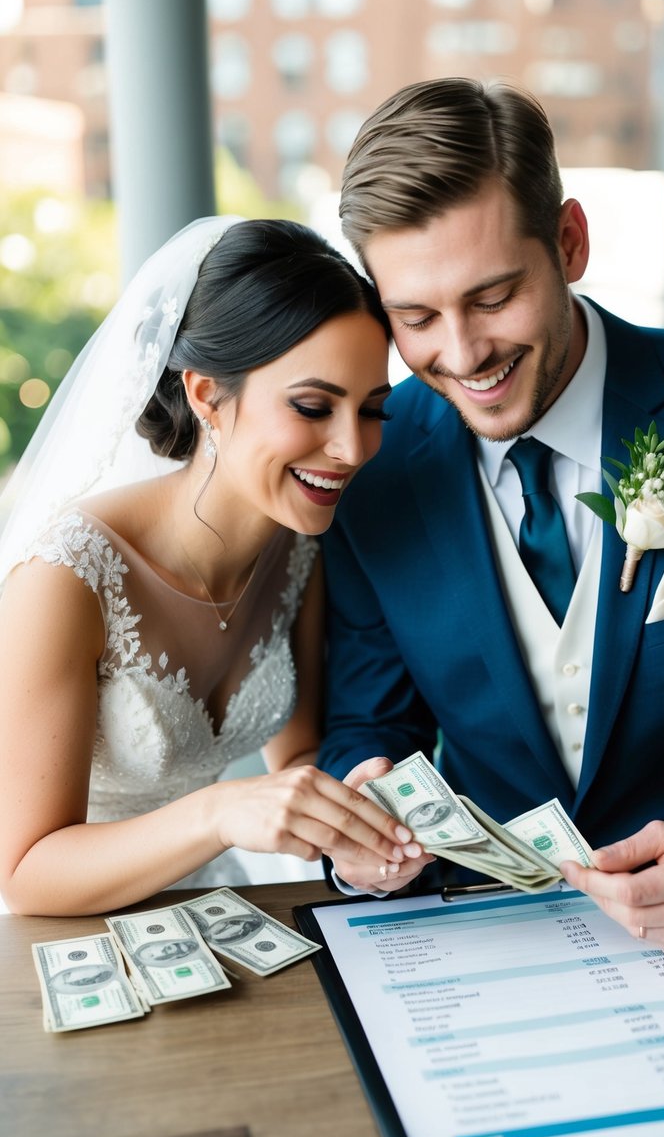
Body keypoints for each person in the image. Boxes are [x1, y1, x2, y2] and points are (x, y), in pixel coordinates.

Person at [316, 77, 664, 962]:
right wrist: (361, 809)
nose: (463, 353)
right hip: (482, 948)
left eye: (490, 297)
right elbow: (374, 725)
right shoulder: (372, 463)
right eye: (415, 317)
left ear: (569, 241)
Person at [0, 216, 422, 917]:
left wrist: (351, 808)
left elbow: (296, 758)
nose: (351, 448)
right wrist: (220, 812)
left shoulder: (300, 550)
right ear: (204, 397)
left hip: (210, 909)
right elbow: (24, 869)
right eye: (313, 407)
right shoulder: (64, 578)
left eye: (373, 410)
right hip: (54, 933)